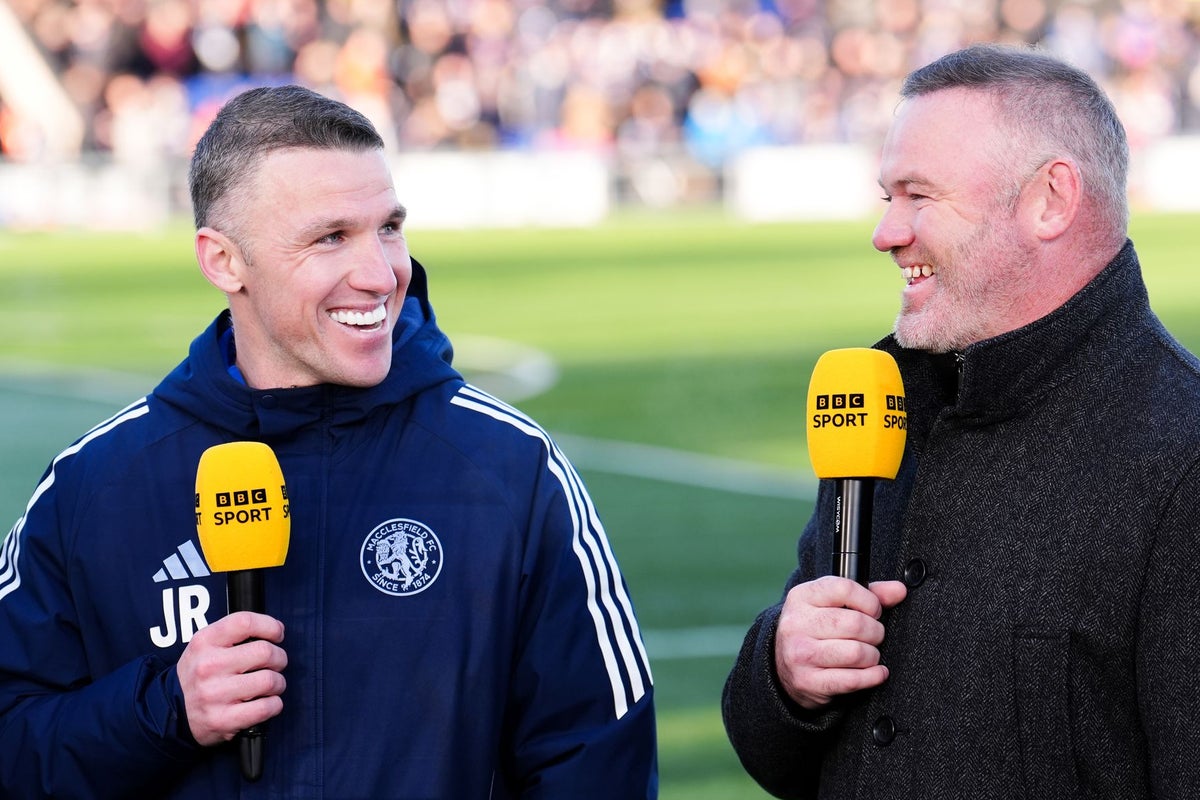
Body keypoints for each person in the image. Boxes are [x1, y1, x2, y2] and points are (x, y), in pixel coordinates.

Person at [0, 85, 657, 798]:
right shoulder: (95, 486)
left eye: (390, 227)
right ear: (224, 261)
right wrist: (165, 710)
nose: (381, 274)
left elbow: (599, 763)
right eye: (330, 237)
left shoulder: (510, 471)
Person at [722, 42, 1200, 799]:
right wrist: (785, 675)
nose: (887, 233)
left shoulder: (1181, 455)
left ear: (1050, 199)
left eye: (919, 195)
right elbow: (774, 755)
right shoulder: (884, 406)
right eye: (889, 198)